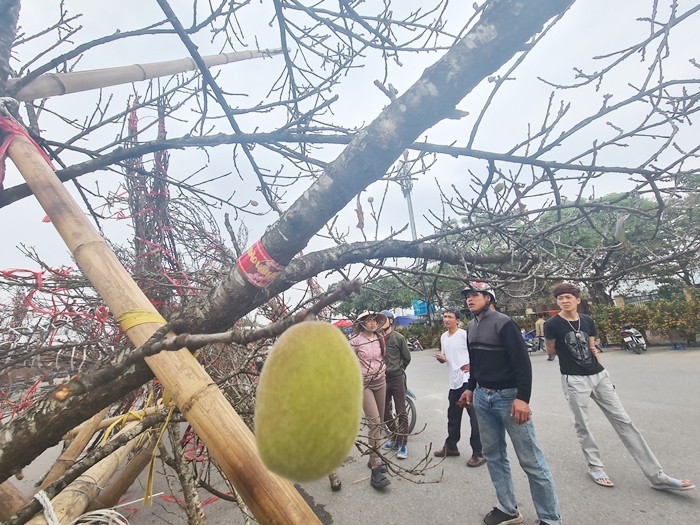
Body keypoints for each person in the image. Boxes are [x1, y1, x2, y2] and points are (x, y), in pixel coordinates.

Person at [545, 282, 695, 492]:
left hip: (599, 376)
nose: (564, 301)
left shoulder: (587, 321)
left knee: (624, 421)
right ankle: (595, 467)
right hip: (574, 379)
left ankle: (657, 476)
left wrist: (593, 354)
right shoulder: (552, 324)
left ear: (577, 300)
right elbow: (550, 350)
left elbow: (592, 345)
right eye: (560, 298)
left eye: (568, 297)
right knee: (583, 425)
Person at [458, 282, 561, 525]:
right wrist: (470, 388)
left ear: (488, 298)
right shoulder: (471, 327)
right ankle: (508, 509)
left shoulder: (504, 323)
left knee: (531, 460)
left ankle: (550, 518)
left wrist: (523, 398)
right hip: (483, 397)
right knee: (493, 455)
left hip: (508, 397)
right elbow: (476, 362)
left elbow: (522, 363)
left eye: (475, 295)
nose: (469, 300)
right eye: (467, 297)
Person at [433, 307, 486, 468]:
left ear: (457, 320)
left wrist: (473, 365)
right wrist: (443, 359)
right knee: (453, 416)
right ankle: (451, 446)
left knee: (474, 418)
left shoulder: (464, 334)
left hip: (467, 381)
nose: (446, 319)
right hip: (454, 382)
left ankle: (479, 453)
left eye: (450, 317)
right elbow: (448, 357)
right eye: (444, 316)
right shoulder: (444, 337)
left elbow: (477, 351)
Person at [349, 310, 391, 490]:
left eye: (374, 320)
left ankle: (375, 456)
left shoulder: (380, 337)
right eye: (368, 320)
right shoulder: (354, 342)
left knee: (380, 422)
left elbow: (383, 357)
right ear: (361, 323)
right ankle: (375, 469)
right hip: (364, 385)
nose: (372, 323)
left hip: (381, 382)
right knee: (374, 422)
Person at [379, 310, 412, 459]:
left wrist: (398, 369)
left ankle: (403, 443)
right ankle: (395, 437)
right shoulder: (376, 339)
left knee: (401, 412)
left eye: (383, 319)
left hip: (397, 379)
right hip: (382, 380)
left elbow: (407, 358)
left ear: (391, 321)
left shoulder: (399, 338)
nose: (380, 322)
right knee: (384, 412)